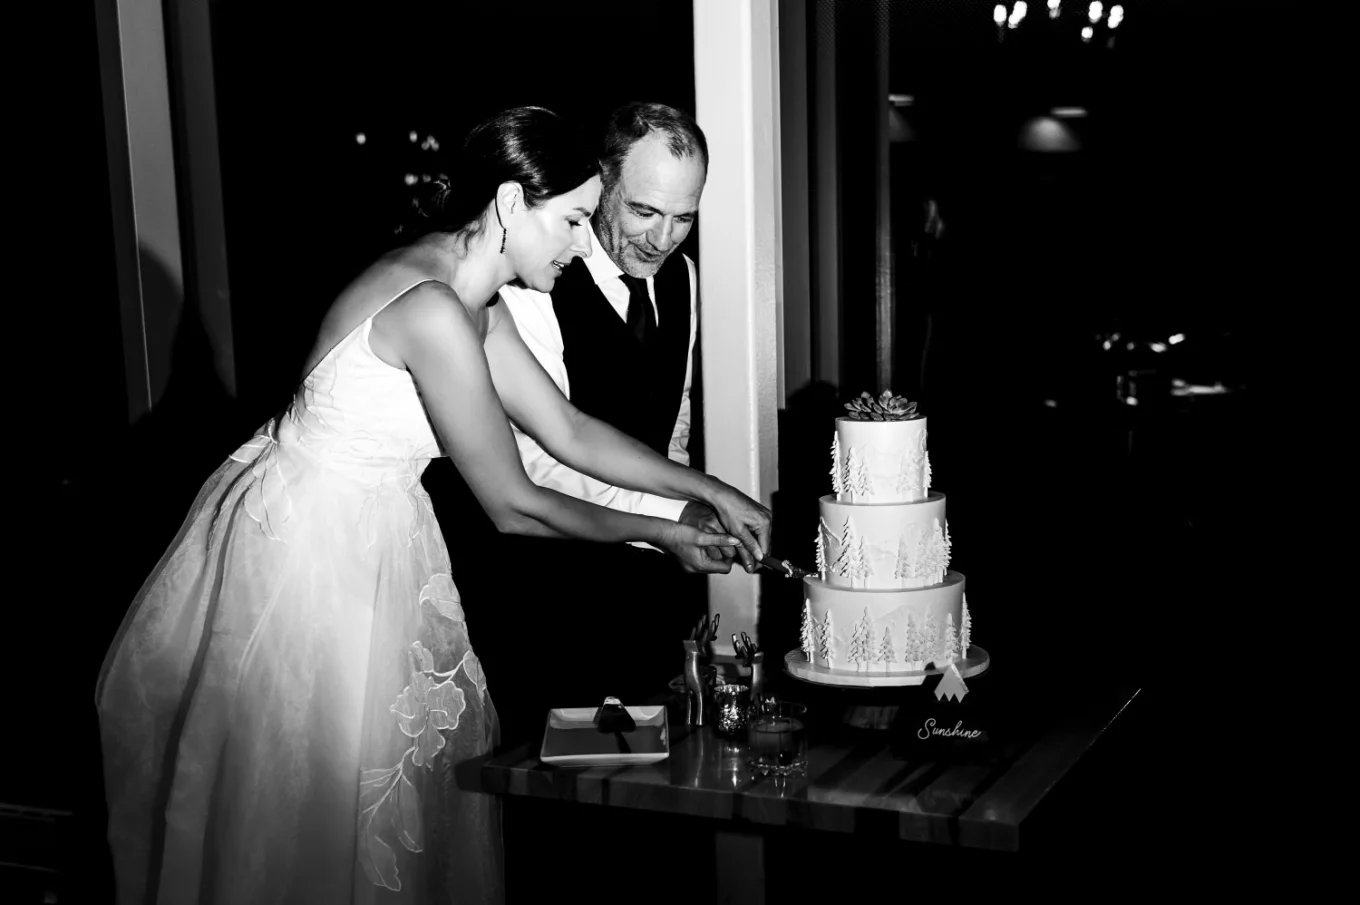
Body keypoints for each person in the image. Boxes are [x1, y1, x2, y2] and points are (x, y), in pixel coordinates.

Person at [95, 106, 771, 905]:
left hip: (374, 533)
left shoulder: (469, 296)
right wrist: (667, 534)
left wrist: (709, 489)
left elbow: (569, 428)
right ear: (513, 205)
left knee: (370, 804)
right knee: (308, 799)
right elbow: (515, 503)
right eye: (573, 220)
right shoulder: (434, 311)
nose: (579, 242)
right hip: (313, 556)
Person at [458, 102, 736, 744]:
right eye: (644, 211)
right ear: (601, 183)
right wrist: (674, 516)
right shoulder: (530, 287)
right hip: (545, 595)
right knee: (562, 784)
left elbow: (674, 427)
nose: (664, 239)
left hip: (647, 589)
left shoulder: (684, 280)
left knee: (649, 781)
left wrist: (688, 512)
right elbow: (542, 459)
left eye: (684, 218)